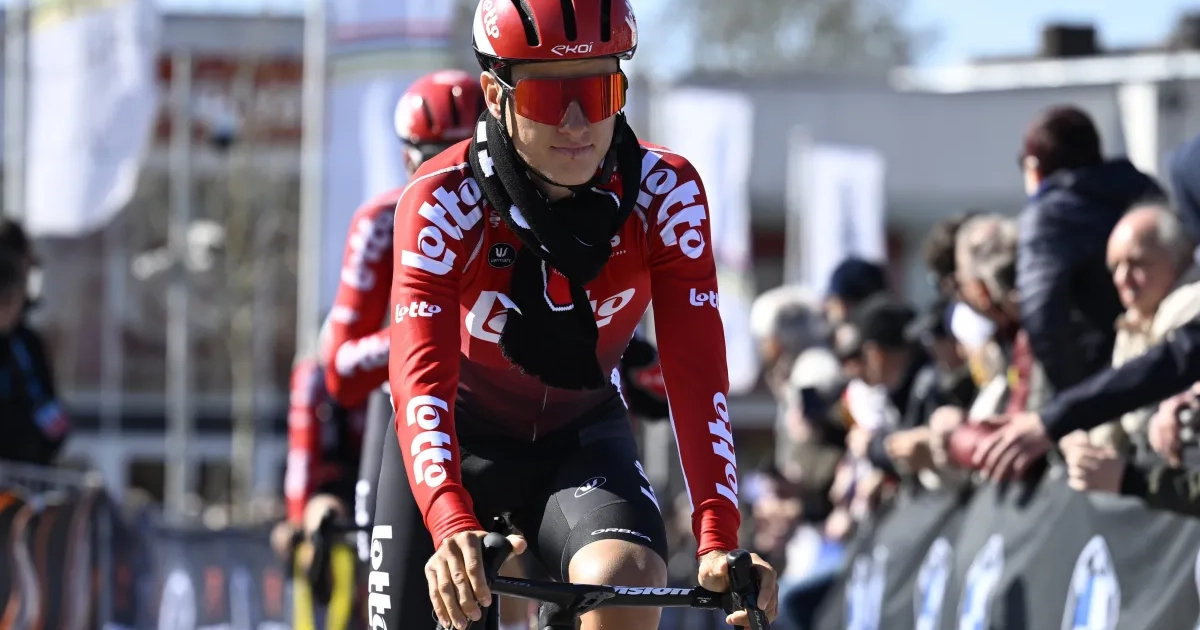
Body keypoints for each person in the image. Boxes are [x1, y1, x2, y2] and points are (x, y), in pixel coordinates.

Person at [376, 3, 778, 630]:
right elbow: (419, 379)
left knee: (625, 582)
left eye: (598, 92)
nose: (576, 122)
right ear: (495, 95)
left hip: (579, 437)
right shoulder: (441, 198)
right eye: (547, 97)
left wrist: (718, 537)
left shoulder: (667, 193)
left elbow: (697, 377)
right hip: (455, 439)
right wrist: (450, 519)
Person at [1016, 105, 1164, 393]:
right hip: (1168, 360)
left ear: (1035, 165)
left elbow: (1042, 317)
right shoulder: (1145, 191)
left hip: (1101, 377)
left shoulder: (1048, 216)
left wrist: (1081, 397)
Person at [0, 251, 68, 465]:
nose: (8, 309)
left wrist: (53, 438)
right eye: (4, 301)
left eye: (13, 301)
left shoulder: (27, 344)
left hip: (25, 465)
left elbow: (45, 398)